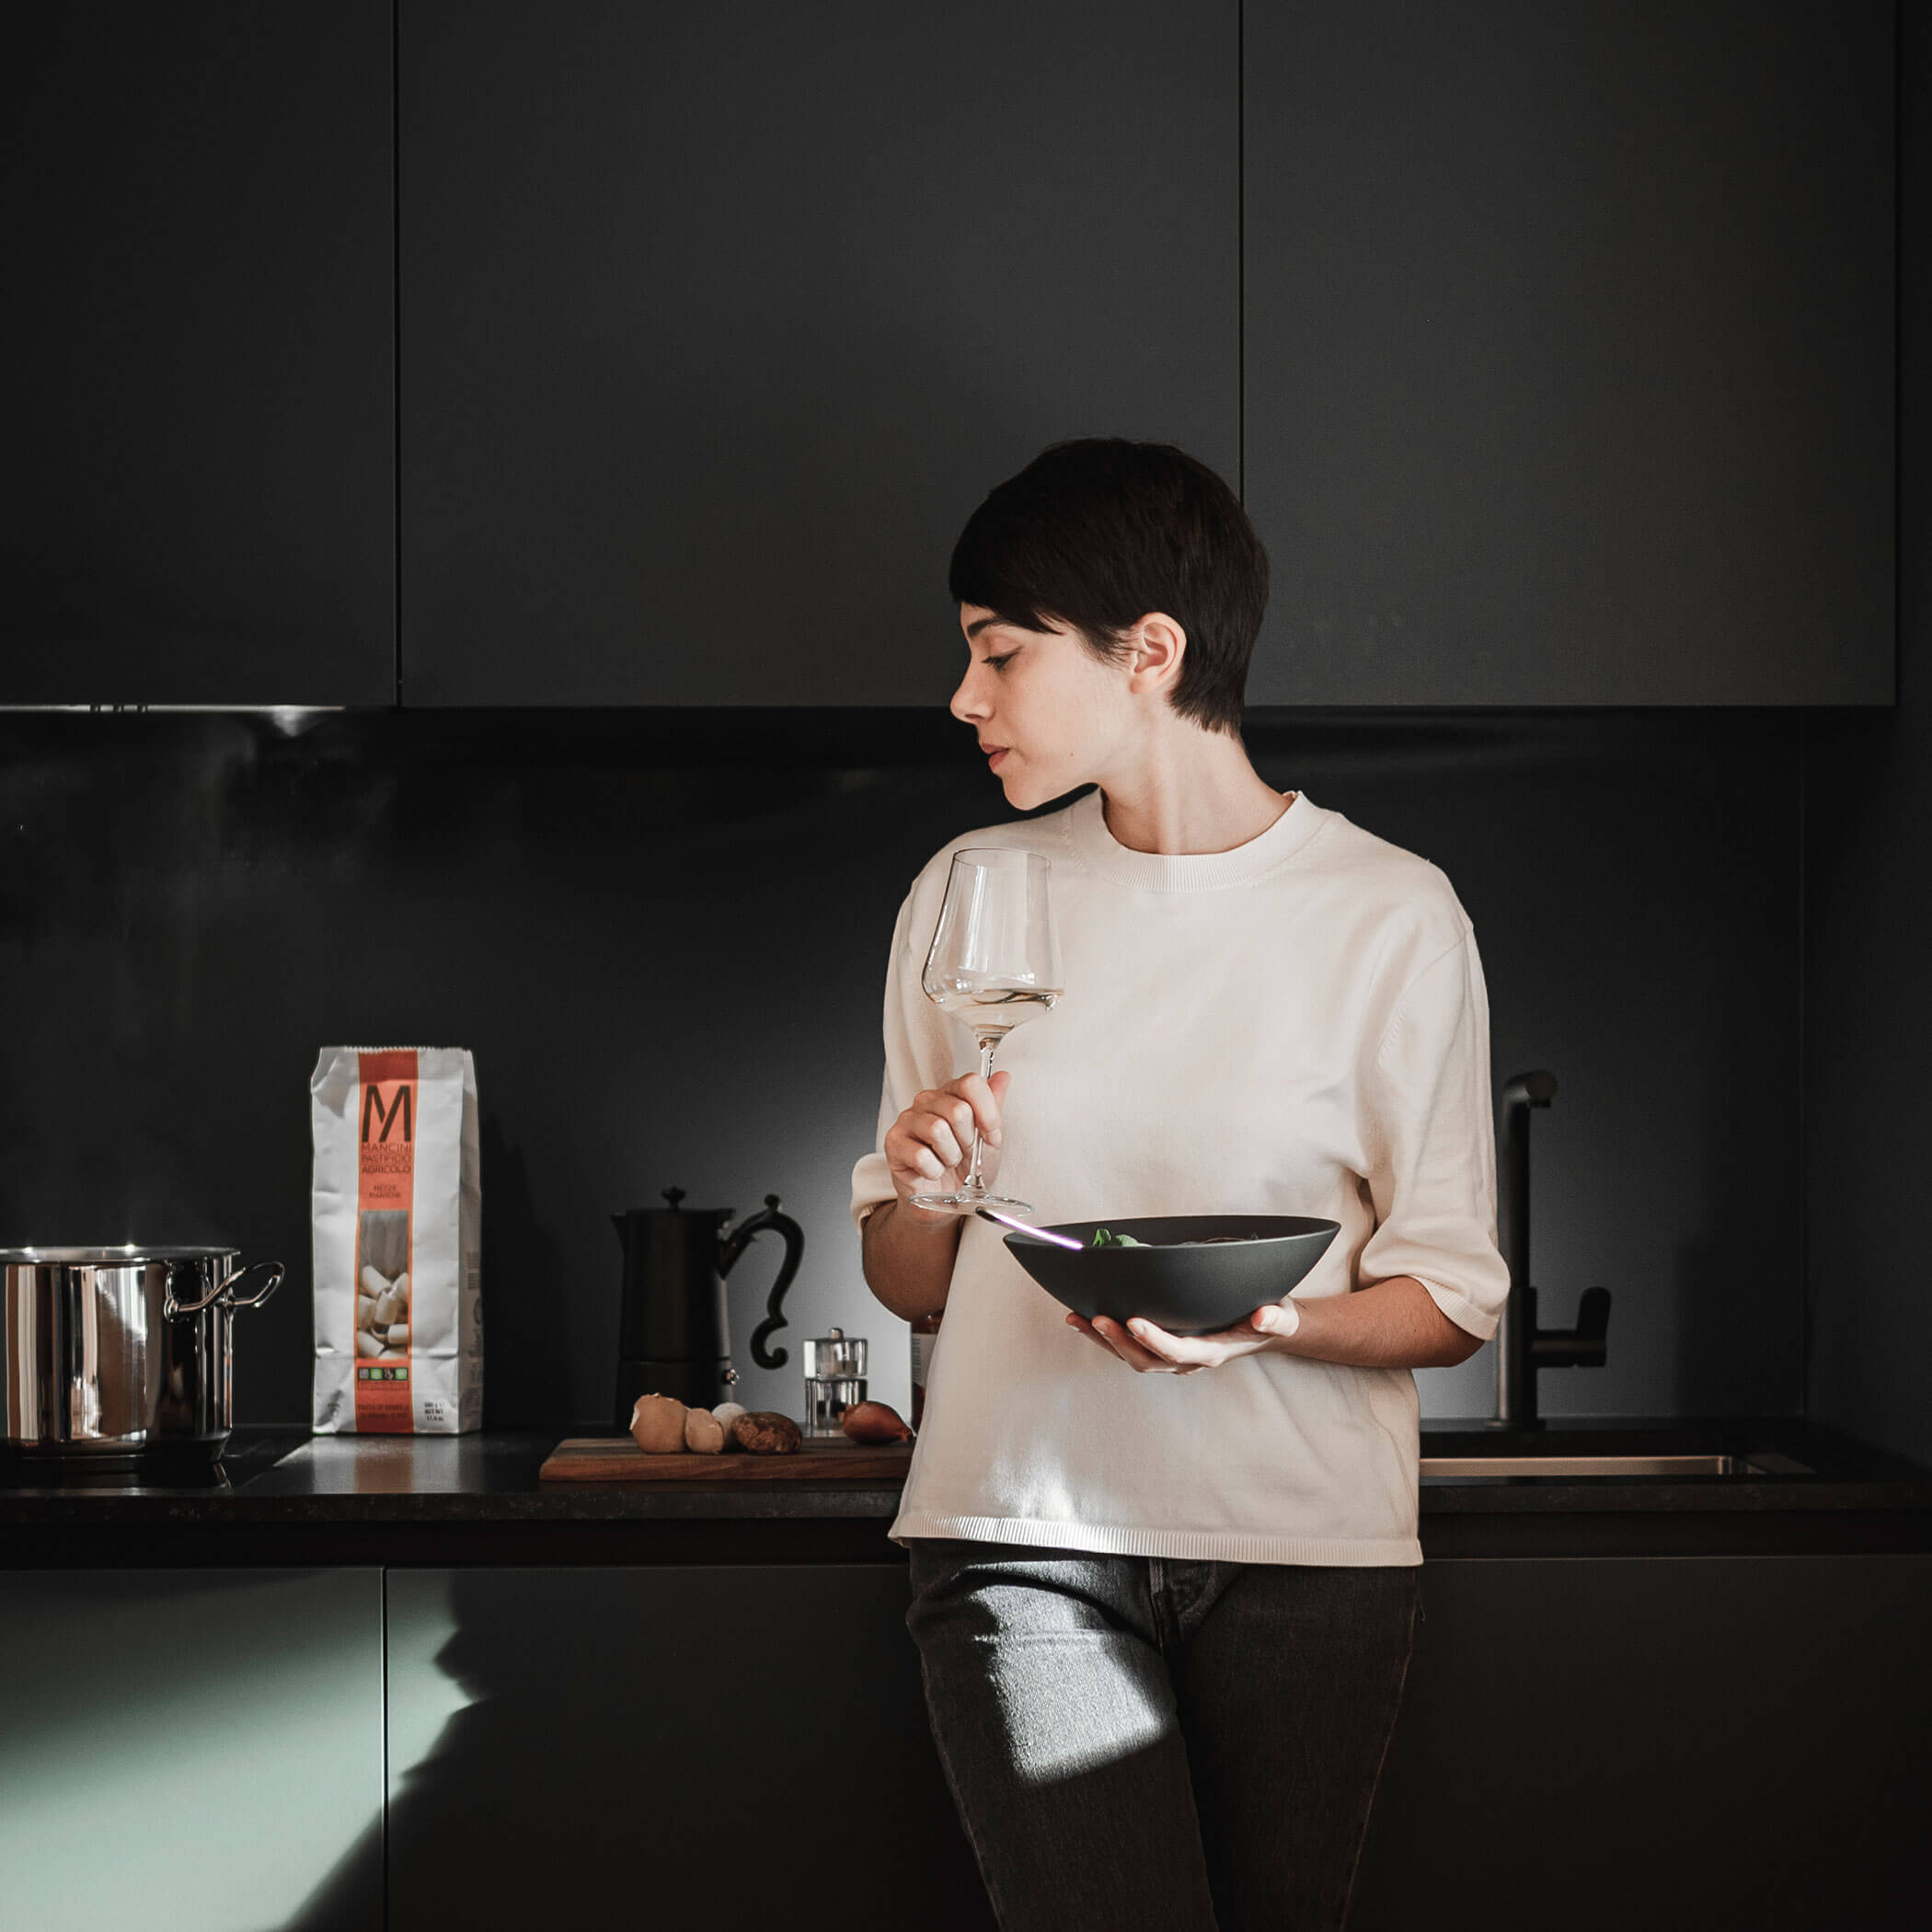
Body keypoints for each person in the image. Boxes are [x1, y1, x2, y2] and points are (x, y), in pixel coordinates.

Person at [850, 438, 1508, 1932]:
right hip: (1024, 1540)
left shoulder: (1390, 916)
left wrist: (1272, 1330)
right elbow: (908, 1282)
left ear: (1149, 652)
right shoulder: (968, 892)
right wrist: (925, 1187)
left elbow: (1453, 1293)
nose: (966, 698)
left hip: (1307, 1554)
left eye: (999, 654)